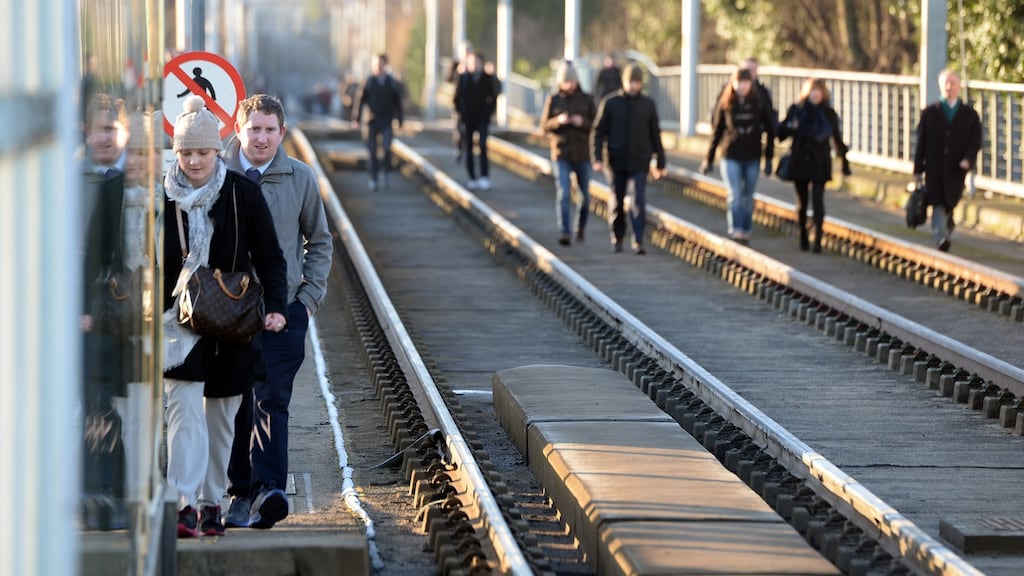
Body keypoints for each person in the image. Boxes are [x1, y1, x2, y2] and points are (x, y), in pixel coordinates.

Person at [162, 95, 288, 538]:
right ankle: (183, 504)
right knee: (183, 413)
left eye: (203, 152)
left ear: (218, 150)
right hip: (175, 324)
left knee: (221, 418)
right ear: (176, 152)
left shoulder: (242, 194)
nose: (194, 161)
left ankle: (212, 501)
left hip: (233, 322)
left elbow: (271, 257)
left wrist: (275, 308)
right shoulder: (164, 198)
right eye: (186, 152)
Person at [222, 94, 334, 530]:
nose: (262, 138)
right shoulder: (220, 174)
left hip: (284, 312)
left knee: (272, 400)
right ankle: (237, 493)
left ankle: (269, 490)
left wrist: (306, 302)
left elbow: (319, 242)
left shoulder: (299, 178)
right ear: (239, 131)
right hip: (227, 312)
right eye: (254, 129)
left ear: (282, 132)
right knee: (235, 401)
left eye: (270, 130)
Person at [591, 63, 667, 254]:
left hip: (640, 160)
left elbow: (655, 134)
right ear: (623, 82)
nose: (633, 86)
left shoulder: (648, 105)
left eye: (636, 82)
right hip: (615, 161)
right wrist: (597, 157)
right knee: (616, 200)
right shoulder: (610, 103)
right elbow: (598, 132)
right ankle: (617, 237)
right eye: (630, 82)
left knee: (638, 201)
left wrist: (660, 161)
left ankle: (638, 239)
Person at [700, 67, 775, 245]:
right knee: (734, 194)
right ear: (733, 83)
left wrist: (769, 158)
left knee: (748, 195)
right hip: (730, 154)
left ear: (751, 84)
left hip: (752, 155)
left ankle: (746, 229)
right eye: (739, 82)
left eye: (745, 82)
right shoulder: (726, 103)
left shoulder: (759, 103)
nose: (742, 86)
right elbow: (717, 132)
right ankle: (736, 230)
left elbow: (770, 130)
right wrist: (708, 159)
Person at [776, 78, 851, 252]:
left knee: (818, 200)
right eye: (812, 90)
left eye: (818, 90)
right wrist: (791, 126)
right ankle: (803, 234)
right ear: (806, 92)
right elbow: (780, 133)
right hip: (800, 159)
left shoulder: (828, 113)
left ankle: (818, 238)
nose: (815, 94)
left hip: (820, 161)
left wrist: (844, 162)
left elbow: (837, 139)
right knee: (802, 202)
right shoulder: (796, 110)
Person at [912, 68, 981, 252]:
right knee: (938, 202)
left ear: (959, 86)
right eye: (946, 83)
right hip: (934, 167)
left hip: (956, 168)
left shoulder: (969, 115)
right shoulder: (929, 113)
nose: (950, 87)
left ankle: (946, 226)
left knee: (950, 200)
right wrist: (917, 169)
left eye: (953, 83)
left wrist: (968, 159)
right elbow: (921, 142)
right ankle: (941, 237)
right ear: (941, 86)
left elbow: (975, 142)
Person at [541, 61, 596, 245]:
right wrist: (558, 121)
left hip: (582, 154)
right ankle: (565, 231)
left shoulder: (587, 99)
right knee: (563, 192)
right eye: (565, 81)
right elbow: (544, 127)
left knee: (585, 196)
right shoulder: (554, 99)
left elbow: (596, 126)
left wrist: (583, 123)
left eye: (571, 81)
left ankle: (580, 226)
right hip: (561, 153)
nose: (569, 85)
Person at [355, 53, 403, 190]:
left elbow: (397, 101)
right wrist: (357, 118)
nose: (378, 67)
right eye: (376, 65)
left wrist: (400, 118)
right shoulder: (369, 81)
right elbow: (361, 99)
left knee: (387, 147)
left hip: (387, 119)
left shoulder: (391, 82)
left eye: (381, 64)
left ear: (385, 65)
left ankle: (386, 167)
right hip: (371, 120)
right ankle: (373, 178)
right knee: (372, 152)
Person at [453, 51, 498, 190]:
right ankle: (472, 177)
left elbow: (493, 96)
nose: (474, 65)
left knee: (483, 146)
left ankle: (484, 176)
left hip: (482, 117)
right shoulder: (464, 78)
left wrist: (490, 111)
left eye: (477, 62)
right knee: (469, 148)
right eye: (472, 63)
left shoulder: (487, 78)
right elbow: (456, 98)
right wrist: (461, 112)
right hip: (468, 118)